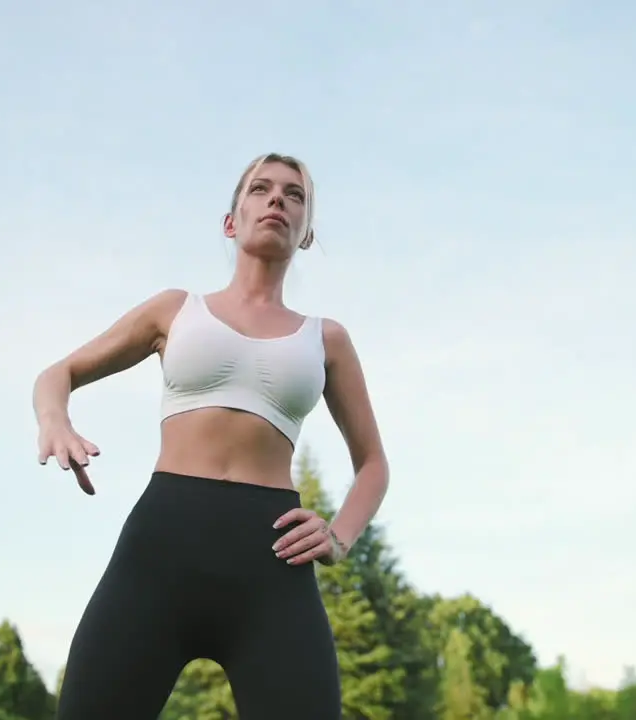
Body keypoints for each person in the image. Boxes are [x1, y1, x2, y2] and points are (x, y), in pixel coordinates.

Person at [33, 152, 390, 719]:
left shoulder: (327, 340)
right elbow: (58, 374)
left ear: (306, 233)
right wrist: (57, 423)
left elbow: (373, 464)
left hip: (273, 560)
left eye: (294, 195)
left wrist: (339, 537)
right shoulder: (176, 311)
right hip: (160, 549)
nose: (277, 199)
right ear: (232, 220)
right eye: (261, 189)